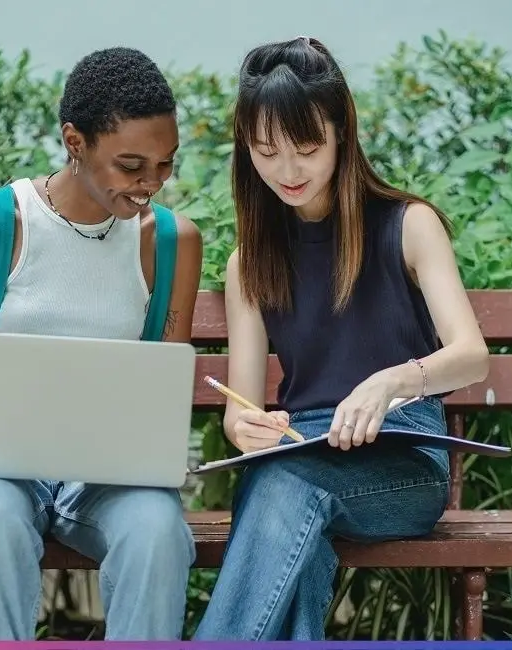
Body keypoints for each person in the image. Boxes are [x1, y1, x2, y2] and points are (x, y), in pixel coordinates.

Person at [194, 37, 489, 641]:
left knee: (281, 488)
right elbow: (241, 410)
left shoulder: (409, 225)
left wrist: (392, 381)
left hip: (404, 459)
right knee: (287, 499)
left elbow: (472, 356)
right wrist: (247, 425)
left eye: (306, 148)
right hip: (301, 452)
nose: (288, 171)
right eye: (266, 151)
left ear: (341, 134)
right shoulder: (248, 263)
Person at [0, 47, 202, 641]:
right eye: (131, 165)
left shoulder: (171, 242)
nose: (150, 184)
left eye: (165, 164)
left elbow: (162, 392)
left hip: (102, 483)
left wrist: (162, 445)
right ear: (75, 142)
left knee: (156, 528)